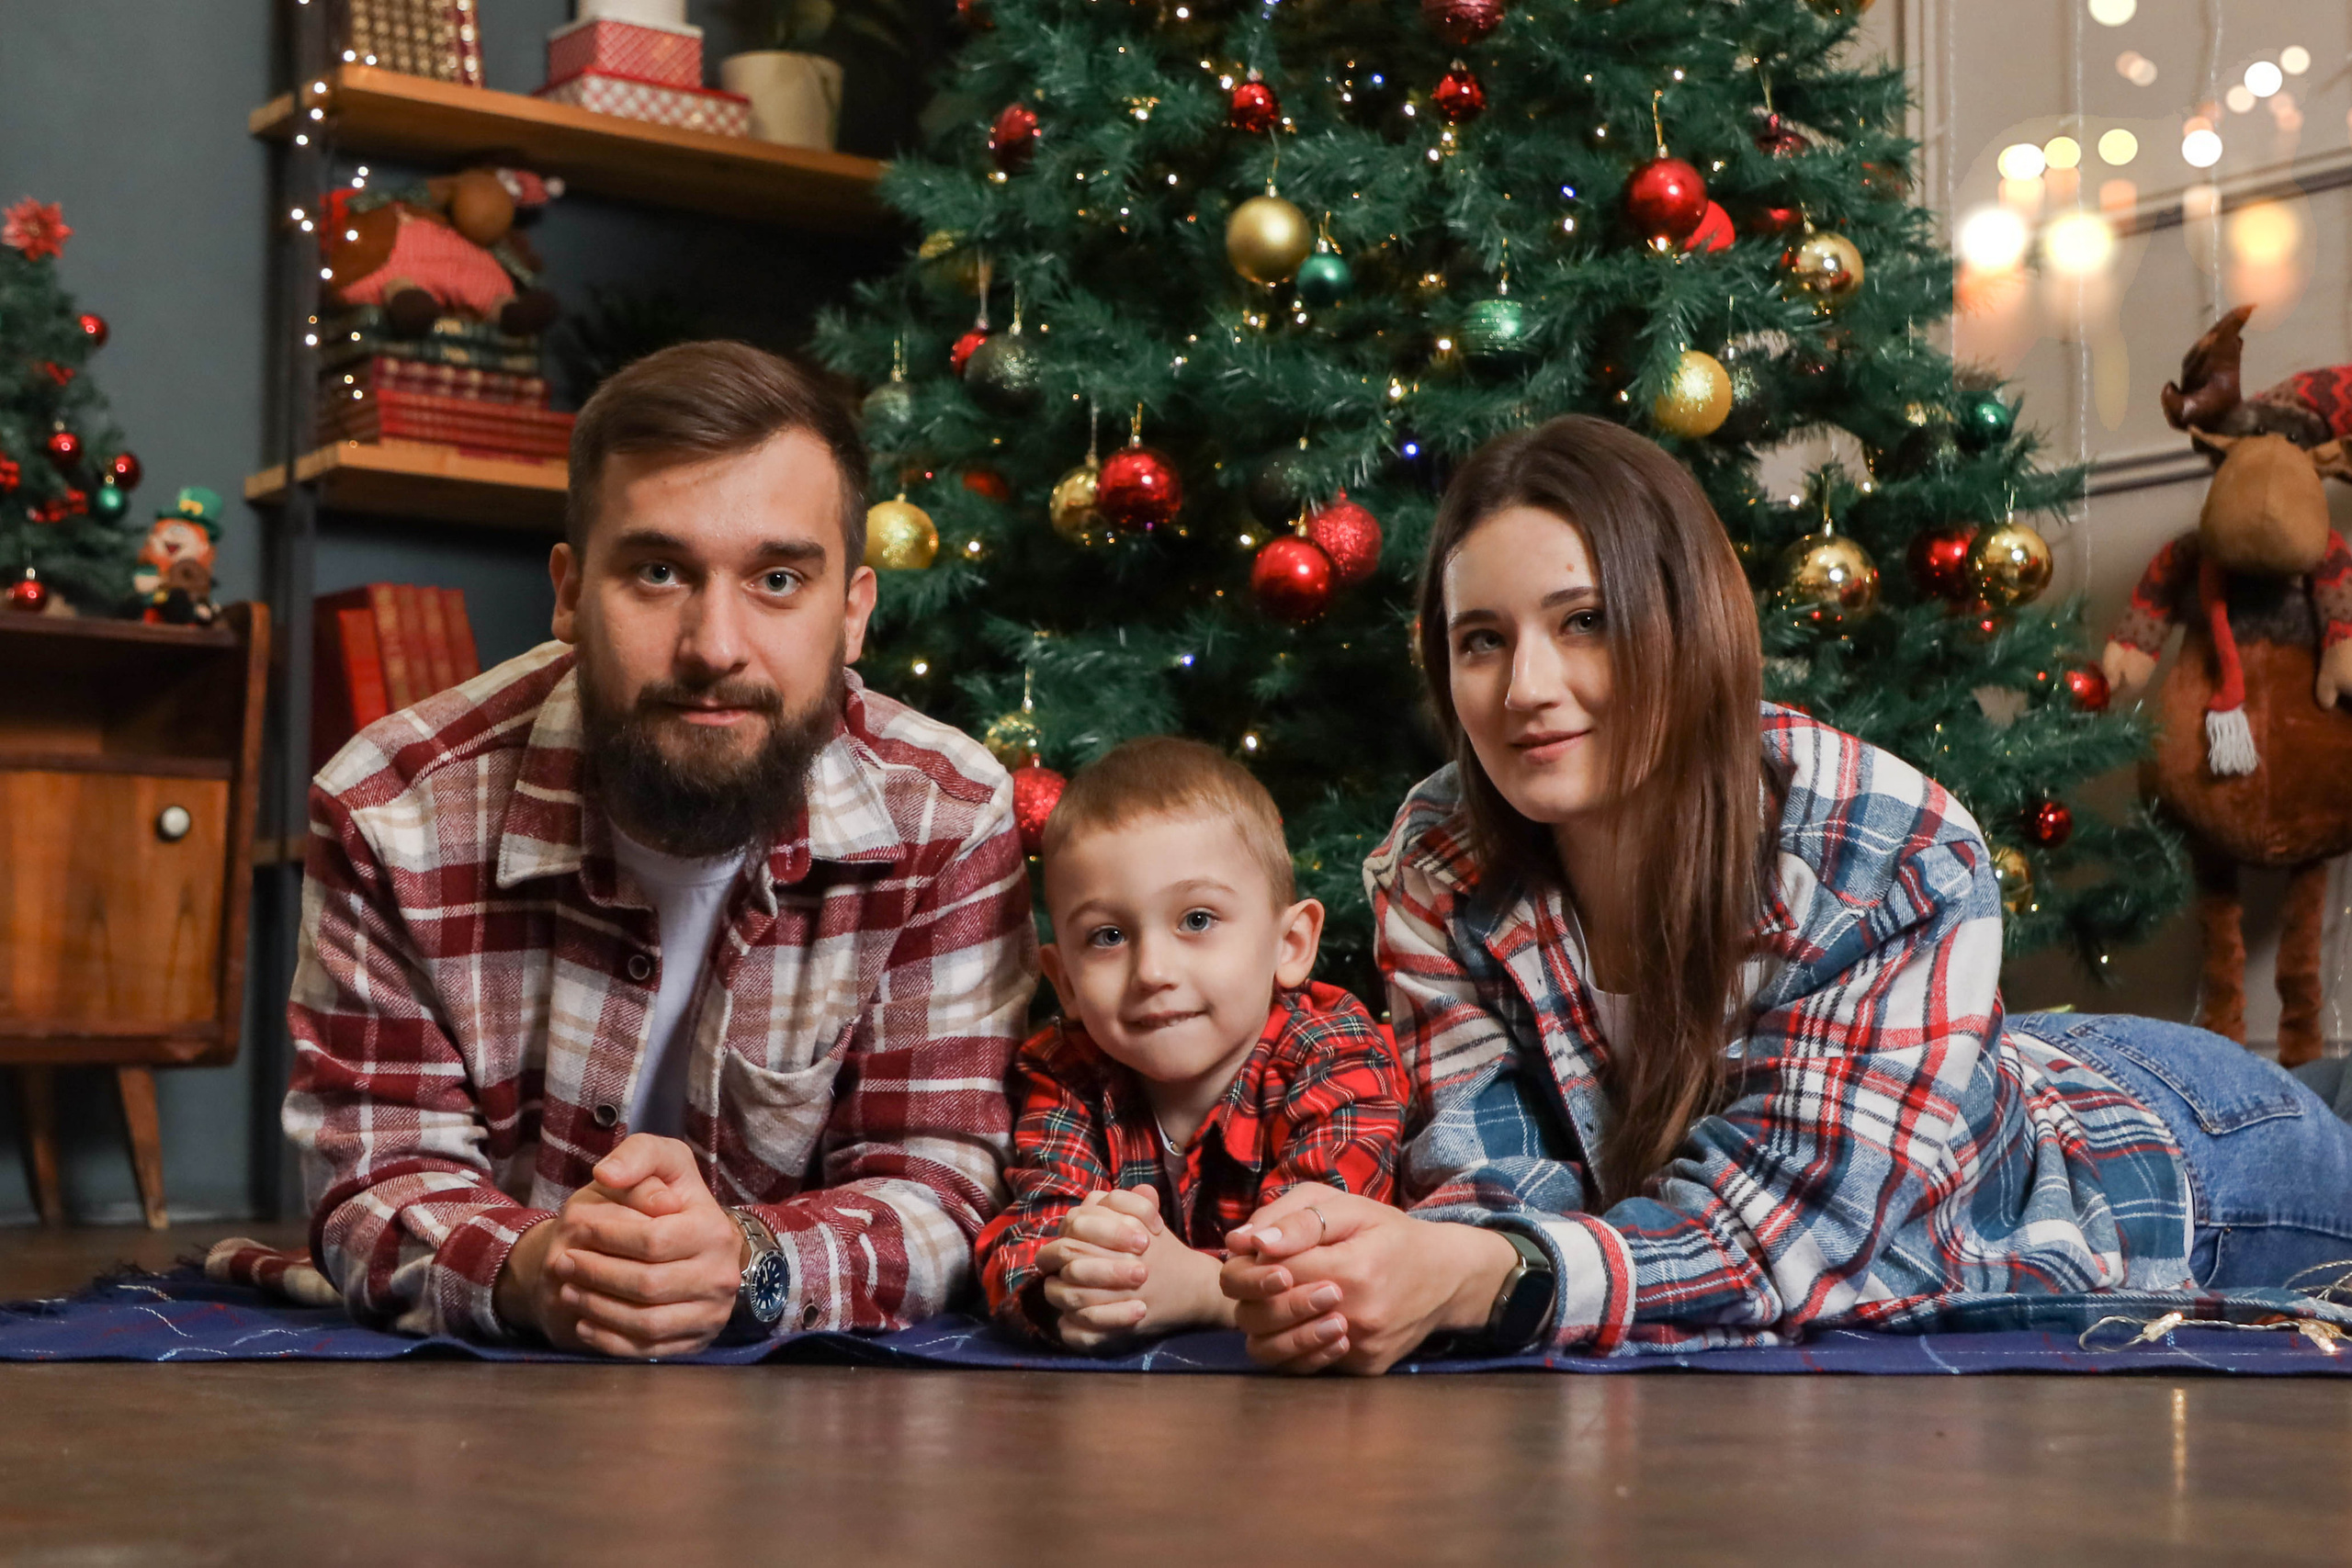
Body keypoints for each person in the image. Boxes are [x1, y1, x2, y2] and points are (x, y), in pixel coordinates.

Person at [1221, 413, 2352, 1374]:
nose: (1527, 688)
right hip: (1977, 1067)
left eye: (1585, 621)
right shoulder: (1440, 856)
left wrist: (1481, 1273)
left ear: (1686, 620)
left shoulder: (1885, 844)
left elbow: (1781, 1240)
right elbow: (1487, 1194)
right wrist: (1358, 1270)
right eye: (1480, 640)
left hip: (2181, 1155)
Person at [282, 342, 1037, 1359]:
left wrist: (748, 1261)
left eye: (777, 578)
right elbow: (372, 1175)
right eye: (656, 571)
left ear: (853, 612)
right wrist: (539, 1268)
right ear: (568, 593)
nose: (713, 645)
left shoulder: (948, 819)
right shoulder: (392, 813)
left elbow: (942, 1180)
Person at [976, 737, 1409, 1348]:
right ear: (1065, 981)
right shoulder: (1065, 1071)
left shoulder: (1332, 1048)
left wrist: (1201, 1289)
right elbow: (1026, 1236)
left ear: (1290, 945)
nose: (1153, 970)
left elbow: (1330, 1256)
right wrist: (1082, 1283)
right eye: (1107, 935)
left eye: (1197, 919)